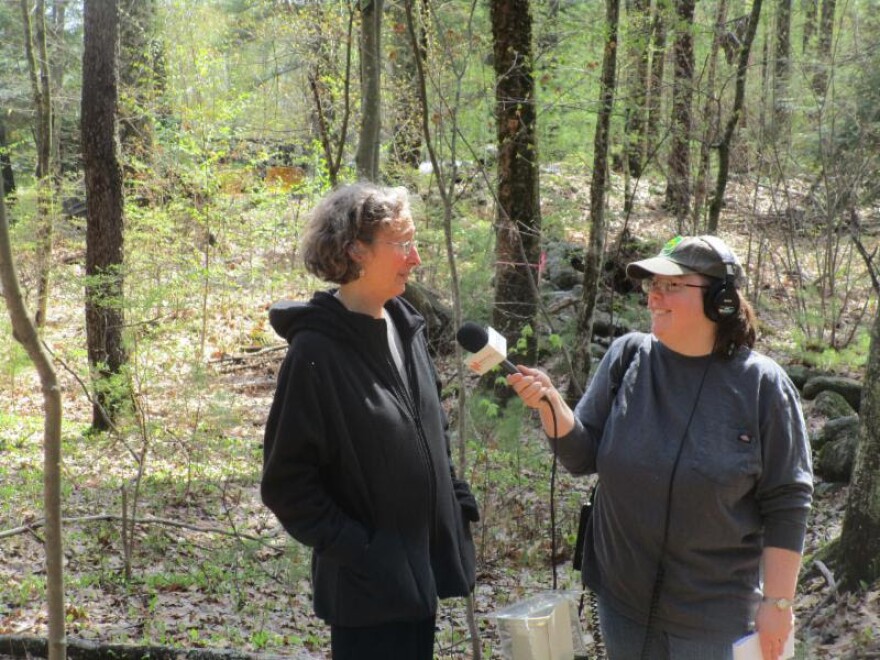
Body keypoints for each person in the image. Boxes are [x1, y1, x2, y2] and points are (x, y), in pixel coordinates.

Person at [507, 235, 813, 660]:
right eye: (652, 284)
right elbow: (582, 456)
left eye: (672, 285)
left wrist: (778, 604)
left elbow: (787, 501)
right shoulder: (626, 357)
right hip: (622, 605)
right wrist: (553, 407)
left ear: (720, 300)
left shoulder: (763, 386)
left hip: (715, 620)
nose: (654, 296)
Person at [261, 182, 478, 659]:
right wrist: (365, 552)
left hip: (420, 576)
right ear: (356, 250)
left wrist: (454, 499)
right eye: (402, 244)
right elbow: (286, 485)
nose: (416, 257)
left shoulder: (405, 326)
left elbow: (430, 429)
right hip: (368, 593)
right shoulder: (315, 353)